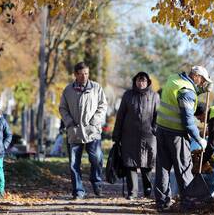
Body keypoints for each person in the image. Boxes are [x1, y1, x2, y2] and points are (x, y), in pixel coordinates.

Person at [154, 65, 213, 212]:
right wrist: (199, 139)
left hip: (161, 130)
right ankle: (188, 203)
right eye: (203, 80)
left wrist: (204, 90)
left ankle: (162, 204)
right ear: (196, 76)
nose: (202, 83)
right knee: (184, 169)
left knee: (163, 168)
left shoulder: (174, 79)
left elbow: (186, 92)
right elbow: (187, 120)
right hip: (176, 135)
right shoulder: (187, 92)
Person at [59, 62, 108, 199]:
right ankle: (78, 191)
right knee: (74, 164)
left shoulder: (96, 88)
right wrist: (69, 122)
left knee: (97, 159)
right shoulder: (68, 90)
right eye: (81, 74)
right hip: (74, 132)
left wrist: (94, 122)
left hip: (93, 131)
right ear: (75, 75)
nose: (84, 76)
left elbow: (103, 106)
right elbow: (63, 108)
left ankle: (96, 181)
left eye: (86, 73)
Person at [112, 72, 160, 200]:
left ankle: (147, 190)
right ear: (135, 81)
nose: (141, 83)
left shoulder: (154, 96)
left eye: (143, 81)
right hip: (129, 136)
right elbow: (120, 115)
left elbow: (157, 115)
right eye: (139, 80)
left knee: (147, 164)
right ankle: (132, 192)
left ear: (148, 82)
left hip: (148, 136)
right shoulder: (128, 95)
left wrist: (154, 129)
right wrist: (116, 134)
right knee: (130, 164)